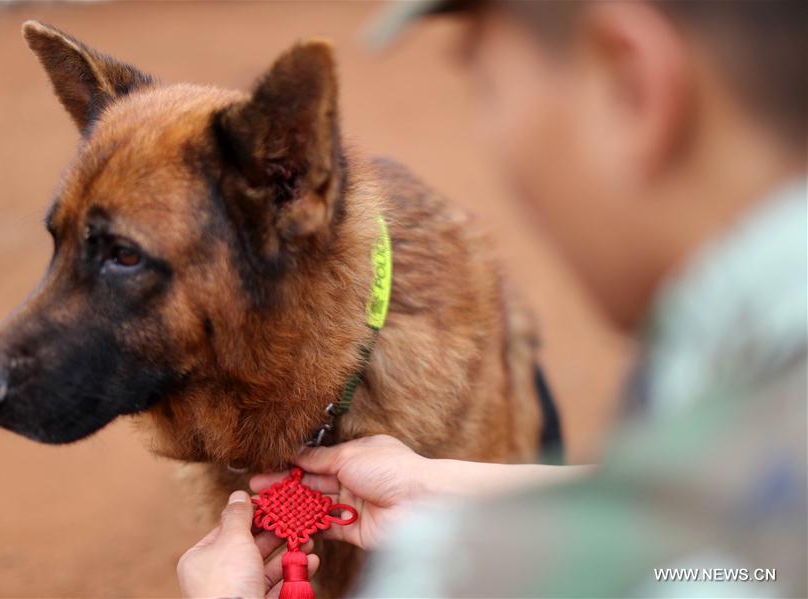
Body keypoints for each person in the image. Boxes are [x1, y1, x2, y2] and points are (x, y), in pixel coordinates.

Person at [177, 1, 807, 596]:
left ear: (630, 84)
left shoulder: (475, 573)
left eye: (486, 84)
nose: (489, 133)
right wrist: (451, 490)